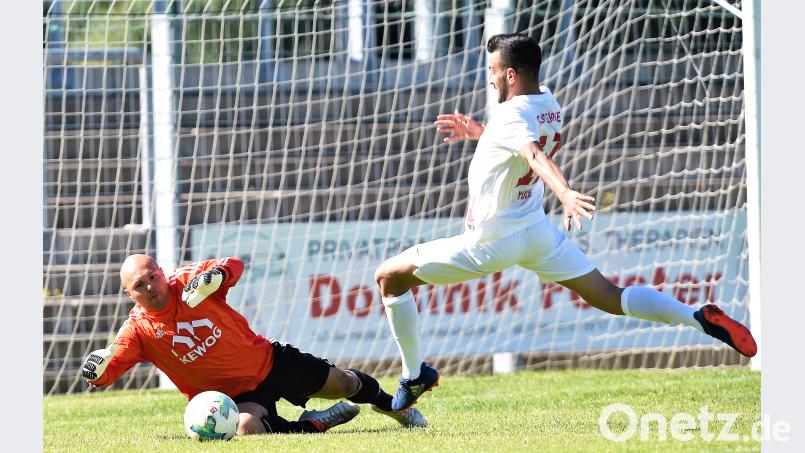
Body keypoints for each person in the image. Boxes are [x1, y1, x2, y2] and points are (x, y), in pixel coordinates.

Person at [374, 33, 757, 412]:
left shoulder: (510, 115)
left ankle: (413, 375)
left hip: (490, 242)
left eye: (493, 70)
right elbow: (520, 143)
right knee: (609, 296)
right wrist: (482, 134)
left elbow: (534, 154)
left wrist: (565, 193)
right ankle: (697, 318)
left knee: (389, 277)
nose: (489, 78)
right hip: (536, 232)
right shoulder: (548, 102)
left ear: (510, 74)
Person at [81, 254, 426, 436]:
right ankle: (315, 423)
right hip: (234, 398)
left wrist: (215, 277)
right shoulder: (138, 331)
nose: (152, 286)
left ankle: (394, 407)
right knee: (245, 429)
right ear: (130, 294)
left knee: (346, 383)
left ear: (161, 270)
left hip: (268, 360)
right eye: (140, 285)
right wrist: (95, 369)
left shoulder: (187, 283)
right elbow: (105, 374)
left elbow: (233, 265)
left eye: (153, 276)